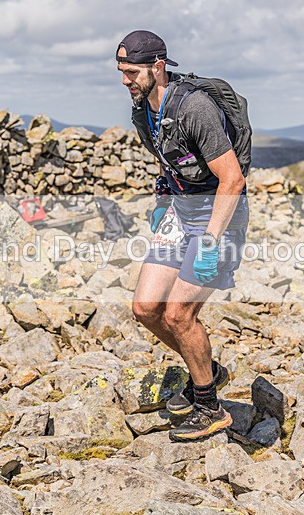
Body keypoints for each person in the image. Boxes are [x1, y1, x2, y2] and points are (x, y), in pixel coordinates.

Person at [116, 30, 248, 441]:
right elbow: (166, 158)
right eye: (120, 72)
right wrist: (162, 198)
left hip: (219, 217)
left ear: (158, 67)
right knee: (146, 308)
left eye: (132, 72)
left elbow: (232, 179)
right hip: (181, 210)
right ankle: (207, 371)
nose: (125, 81)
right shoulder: (143, 110)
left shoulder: (195, 109)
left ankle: (209, 407)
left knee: (179, 314)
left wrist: (209, 240)